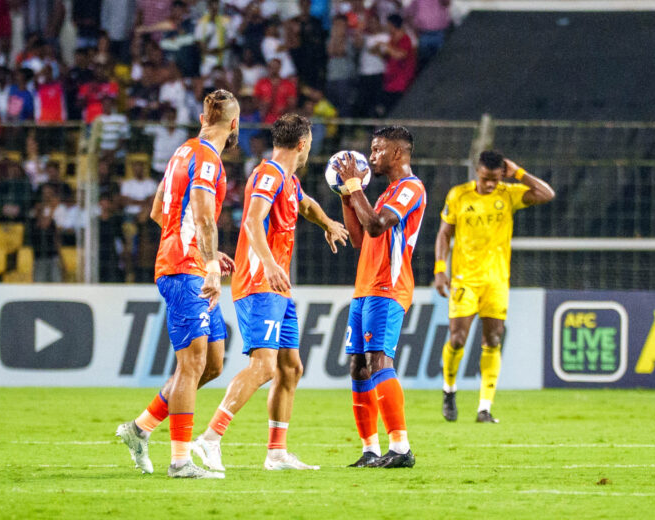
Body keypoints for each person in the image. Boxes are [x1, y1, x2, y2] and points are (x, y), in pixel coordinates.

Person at [191, 114, 348, 473]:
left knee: (290, 368)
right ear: (303, 144)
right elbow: (251, 220)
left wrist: (327, 223)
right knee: (263, 366)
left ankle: (276, 453)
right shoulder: (269, 174)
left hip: (278, 288)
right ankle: (210, 438)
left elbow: (305, 205)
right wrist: (269, 263)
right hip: (260, 282)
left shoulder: (288, 180)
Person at [116, 89, 240, 479]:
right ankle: (180, 461)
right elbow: (202, 217)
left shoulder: (182, 151)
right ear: (234, 124)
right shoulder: (207, 159)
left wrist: (206, 251)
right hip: (185, 271)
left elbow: (158, 211)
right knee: (192, 364)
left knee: (212, 364)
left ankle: (140, 429)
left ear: (203, 119)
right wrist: (209, 263)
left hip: (188, 263)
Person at [434, 150, 555, 423]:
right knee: (458, 339)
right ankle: (449, 389)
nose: (490, 184)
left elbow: (547, 194)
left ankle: (484, 408)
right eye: (486, 178)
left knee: (493, 340)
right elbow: (444, 233)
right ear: (477, 171)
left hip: (497, 282)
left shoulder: (508, 194)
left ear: (502, 174)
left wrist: (519, 173)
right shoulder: (458, 195)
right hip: (465, 279)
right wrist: (440, 270)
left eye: (495, 179)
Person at [335, 126, 425, 468]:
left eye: (377, 150)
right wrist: (347, 196)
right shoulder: (387, 193)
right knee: (359, 367)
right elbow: (360, 238)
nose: (371, 156)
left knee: (379, 361)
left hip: (388, 286)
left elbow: (376, 225)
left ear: (397, 153)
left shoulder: (411, 188)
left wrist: (355, 187)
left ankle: (400, 448)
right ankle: (370, 449)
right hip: (365, 287)